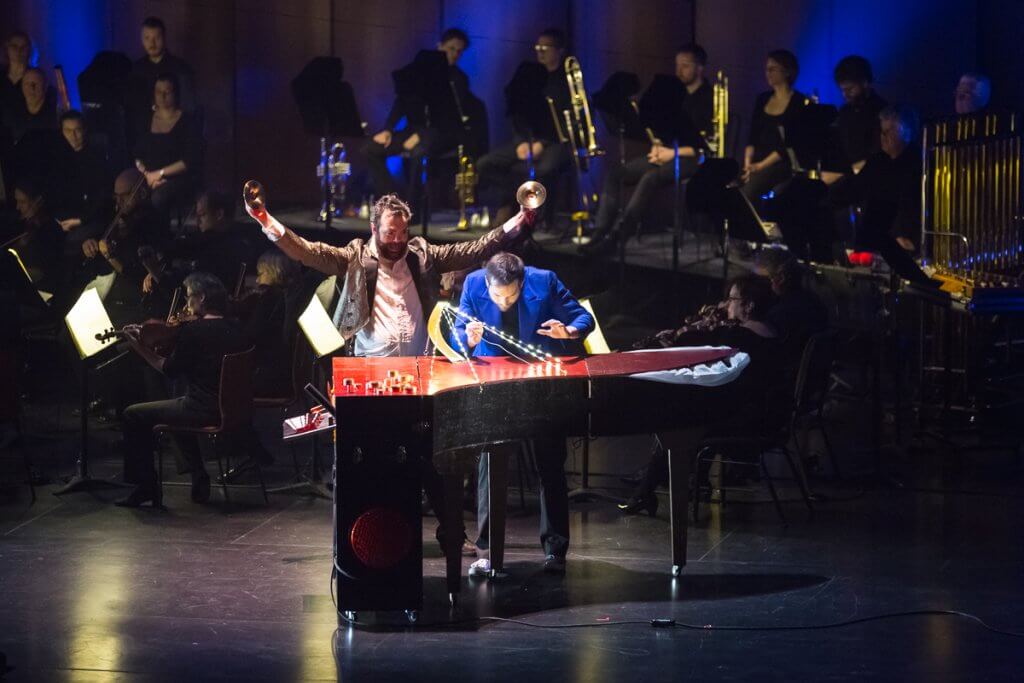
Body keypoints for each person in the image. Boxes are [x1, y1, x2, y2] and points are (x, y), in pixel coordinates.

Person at [246, 192, 533, 546]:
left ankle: (453, 536)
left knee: (433, 456)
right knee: (371, 458)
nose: (397, 241)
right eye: (389, 234)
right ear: (373, 229)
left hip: (420, 374)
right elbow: (307, 251)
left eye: (402, 233)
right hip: (372, 375)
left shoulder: (422, 255)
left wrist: (517, 222)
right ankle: (368, 539)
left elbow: (472, 249)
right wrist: (265, 220)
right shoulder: (354, 256)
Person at [450, 252, 593, 575]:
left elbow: (584, 319)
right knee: (489, 466)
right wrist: (467, 339)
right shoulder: (473, 283)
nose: (504, 302)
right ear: (487, 284)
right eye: (497, 295)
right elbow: (456, 335)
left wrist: (568, 331)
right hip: (495, 386)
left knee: (550, 464)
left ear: (523, 282)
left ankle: (555, 551)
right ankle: (486, 552)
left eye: (511, 296)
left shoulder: (544, 281)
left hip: (541, 385)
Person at [620, 275, 783, 516]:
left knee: (677, 420)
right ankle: (669, 483)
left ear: (748, 305)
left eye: (732, 299)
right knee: (687, 413)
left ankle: (649, 489)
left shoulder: (739, 337)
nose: (726, 305)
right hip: (763, 415)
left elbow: (713, 369)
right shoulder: (771, 333)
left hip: (745, 422)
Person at [115, 272, 250, 507]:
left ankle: (146, 486)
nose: (186, 304)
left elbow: (167, 369)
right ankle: (197, 472)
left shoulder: (194, 331)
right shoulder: (237, 326)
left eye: (188, 297)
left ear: (202, 298)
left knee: (132, 414)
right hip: (234, 409)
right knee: (175, 404)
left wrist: (138, 346)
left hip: (202, 410)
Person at [586, 44, 712, 254]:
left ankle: (619, 236)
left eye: (685, 65)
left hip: (692, 159)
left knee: (649, 178)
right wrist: (657, 146)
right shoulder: (673, 92)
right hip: (666, 153)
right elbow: (662, 129)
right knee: (616, 174)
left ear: (700, 68)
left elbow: (705, 147)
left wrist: (671, 153)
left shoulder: (709, 98)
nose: (679, 71)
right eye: (677, 65)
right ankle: (599, 232)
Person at [475, 28, 573, 225]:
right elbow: (517, 114)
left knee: (544, 170)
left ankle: (532, 217)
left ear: (559, 50)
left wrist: (542, 144)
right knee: (485, 164)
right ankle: (512, 200)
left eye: (546, 48)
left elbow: (566, 123)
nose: (540, 52)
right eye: (538, 47)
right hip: (527, 139)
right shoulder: (529, 77)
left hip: (555, 142)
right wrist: (521, 142)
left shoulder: (566, 82)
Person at [363, 28, 476, 198]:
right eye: (451, 48)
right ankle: (390, 199)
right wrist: (388, 129)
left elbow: (448, 118)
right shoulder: (418, 73)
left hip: (442, 133)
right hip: (414, 129)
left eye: (459, 51)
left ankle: (413, 205)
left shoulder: (458, 79)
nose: (455, 54)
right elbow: (401, 103)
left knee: (418, 152)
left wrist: (421, 135)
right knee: (370, 149)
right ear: (440, 46)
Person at [828, 105, 933, 286]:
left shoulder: (921, 165)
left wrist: (905, 238)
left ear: (907, 132)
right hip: (875, 244)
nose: (883, 136)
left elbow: (914, 209)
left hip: (906, 247)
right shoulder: (878, 161)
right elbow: (853, 189)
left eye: (888, 131)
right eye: (881, 131)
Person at [741, 50, 808, 202]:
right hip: (756, 160)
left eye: (773, 69)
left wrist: (760, 166)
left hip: (779, 163)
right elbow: (752, 136)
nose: (768, 73)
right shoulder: (762, 98)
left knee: (748, 191)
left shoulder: (799, 102)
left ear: (787, 72)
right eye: (767, 69)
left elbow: (787, 146)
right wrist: (748, 163)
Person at [133, 72, 202, 212]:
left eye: (167, 92)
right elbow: (137, 155)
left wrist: (159, 174)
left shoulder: (187, 121)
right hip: (147, 176)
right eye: (158, 92)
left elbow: (189, 160)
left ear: (175, 93)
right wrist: (147, 175)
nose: (162, 96)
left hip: (176, 178)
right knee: (130, 193)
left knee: (158, 198)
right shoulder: (145, 119)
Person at [49, 110, 114, 254]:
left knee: (71, 244)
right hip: (65, 220)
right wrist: (60, 219)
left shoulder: (96, 159)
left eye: (77, 130)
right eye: (68, 131)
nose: (73, 135)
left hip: (92, 219)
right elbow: (55, 194)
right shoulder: (57, 159)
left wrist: (80, 220)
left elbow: (102, 199)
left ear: (84, 130)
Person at [130, 17, 196, 117]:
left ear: (164, 38)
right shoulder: (136, 69)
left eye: (157, 38)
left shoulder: (180, 68)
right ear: (142, 40)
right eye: (147, 38)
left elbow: (188, 105)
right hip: (142, 122)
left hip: (172, 122)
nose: (152, 43)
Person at [832, 55, 887, 174]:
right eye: (842, 90)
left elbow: (880, 154)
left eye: (850, 89)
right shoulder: (844, 112)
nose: (845, 95)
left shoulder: (883, 112)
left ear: (865, 83)